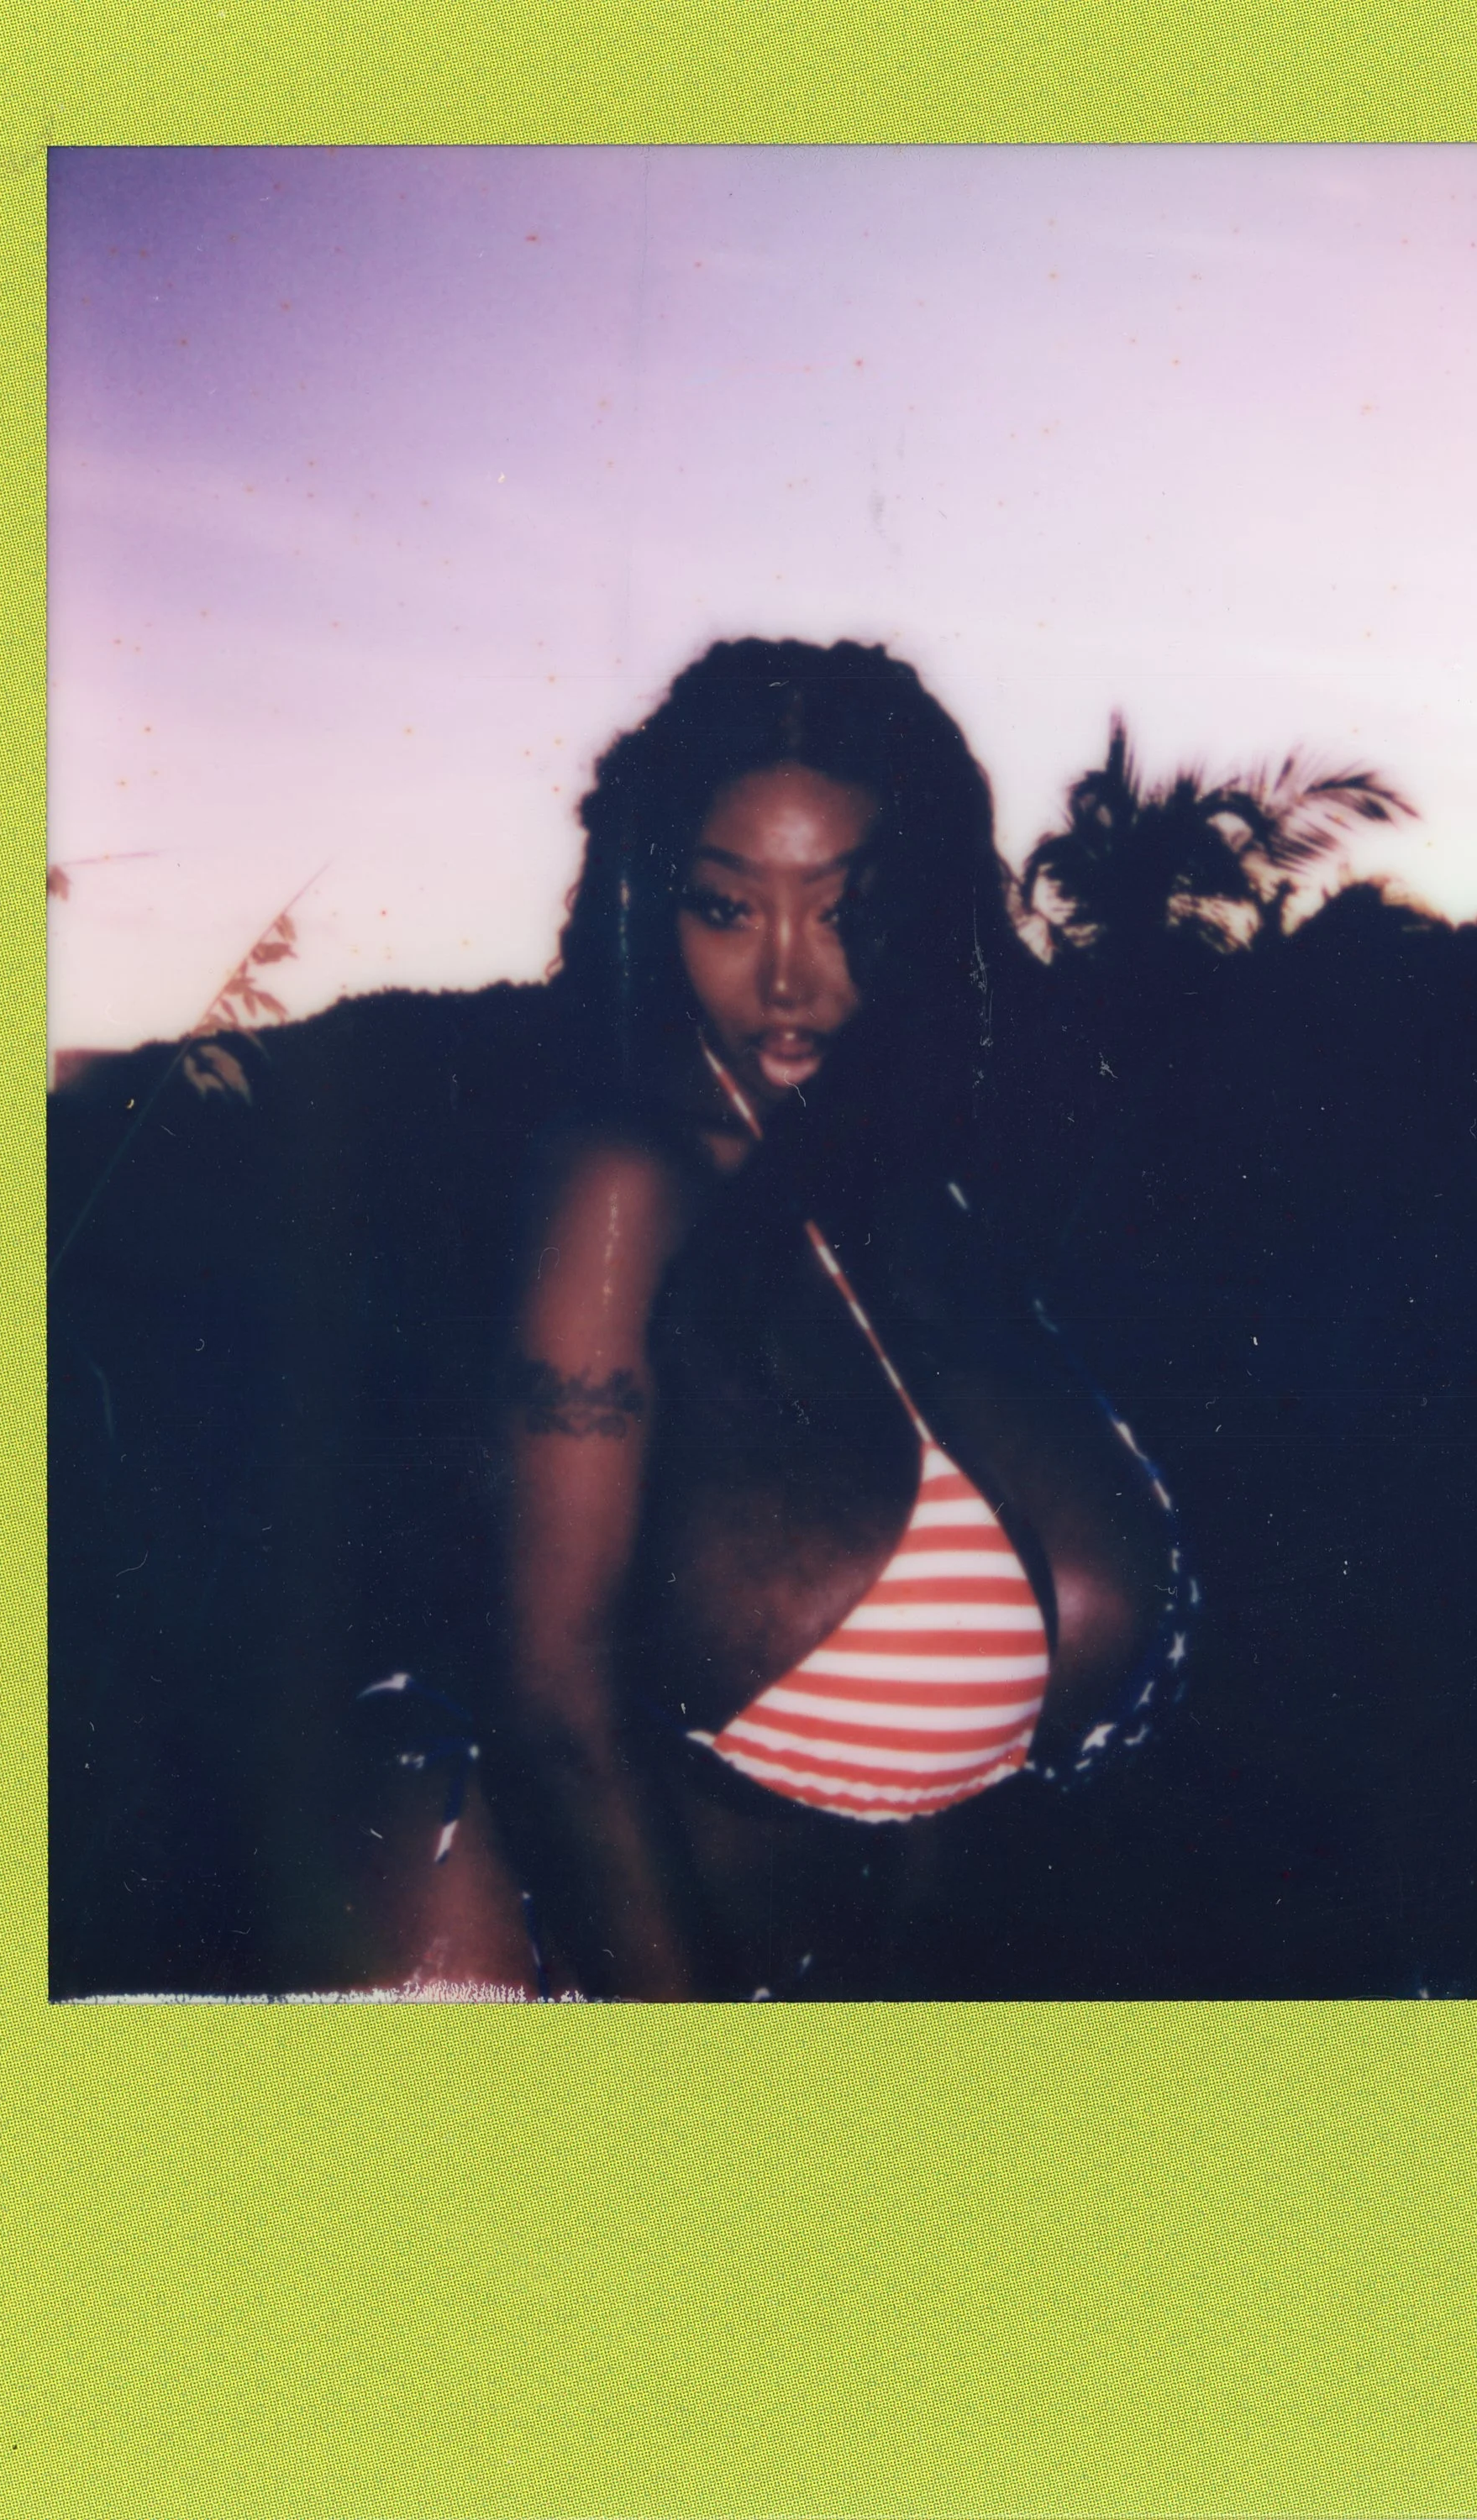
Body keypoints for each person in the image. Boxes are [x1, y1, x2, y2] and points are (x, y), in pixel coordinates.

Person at [364, 638, 1189, 1999]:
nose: (791, 980)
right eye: (727, 908)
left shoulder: (930, 1195)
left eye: (844, 910)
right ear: (652, 909)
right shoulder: (621, 1191)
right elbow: (553, 1712)